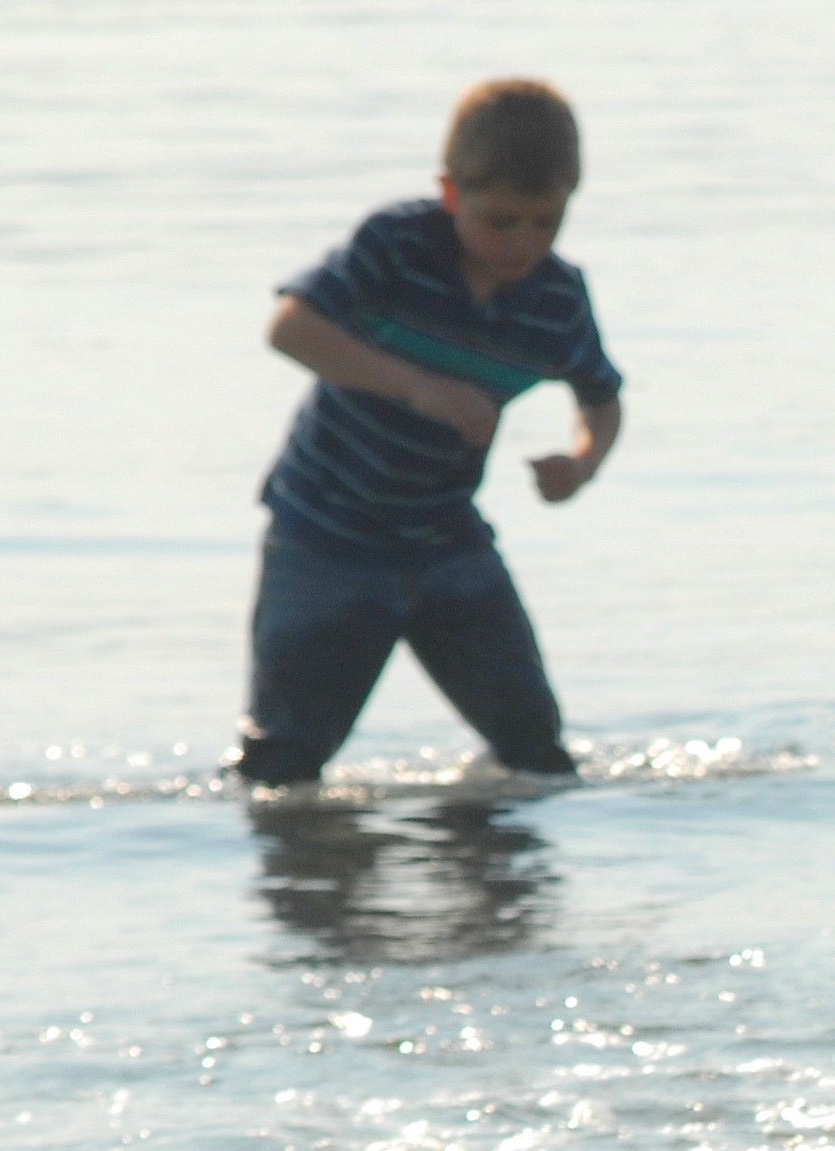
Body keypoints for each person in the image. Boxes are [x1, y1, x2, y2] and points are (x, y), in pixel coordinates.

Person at [235, 79, 624, 787]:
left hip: (446, 542)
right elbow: (291, 328)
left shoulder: (556, 300)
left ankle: (485, 847)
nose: (523, 243)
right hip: (324, 534)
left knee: (537, 755)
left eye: (546, 221)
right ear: (451, 193)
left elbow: (601, 397)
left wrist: (581, 463)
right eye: (500, 221)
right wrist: (418, 388)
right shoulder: (398, 245)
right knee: (282, 768)